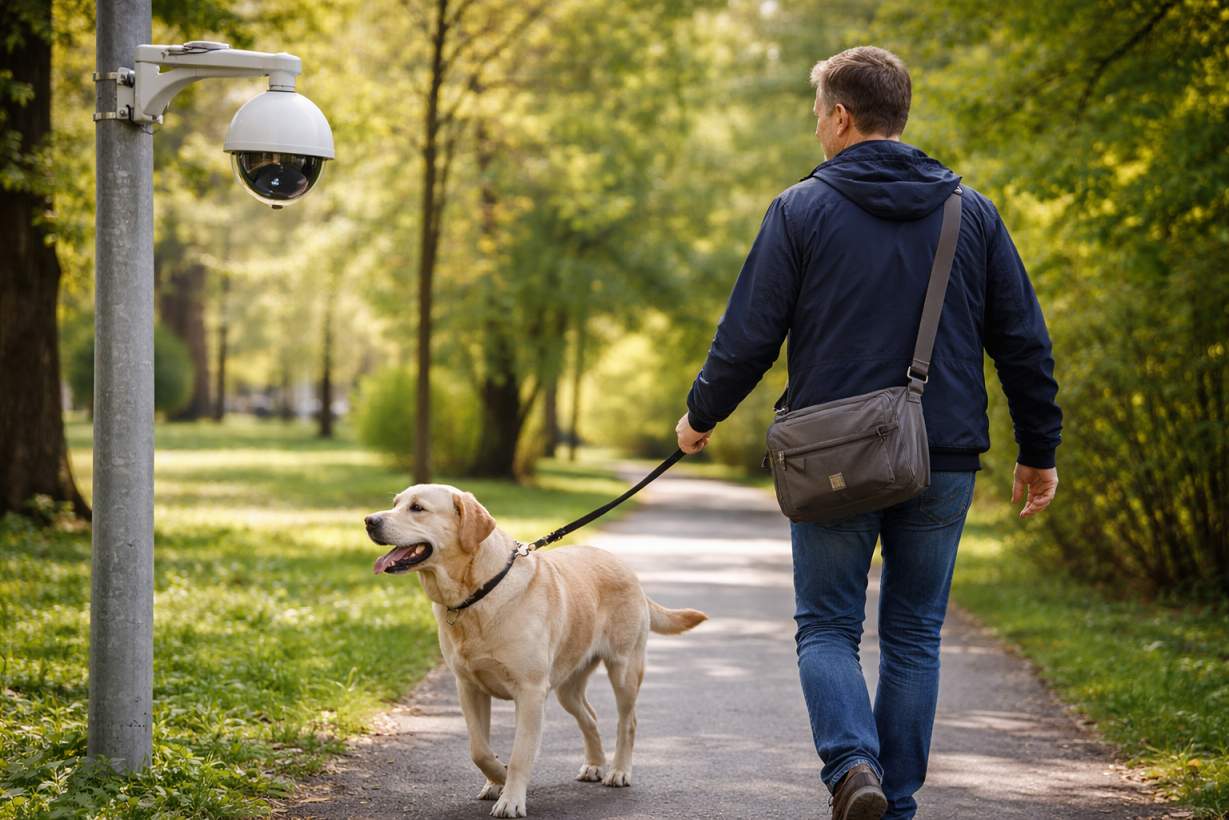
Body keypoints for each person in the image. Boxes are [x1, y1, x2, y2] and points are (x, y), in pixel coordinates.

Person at [674, 46, 1062, 820]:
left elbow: (749, 333)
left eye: (818, 114)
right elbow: (1022, 340)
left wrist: (700, 415)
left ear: (841, 117)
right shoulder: (970, 212)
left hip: (832, 459)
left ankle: (853, 766)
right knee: (914, 635)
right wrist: (1038, 450)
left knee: (825, 626)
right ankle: (900, 800)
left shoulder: (799, 209)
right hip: (942, 454)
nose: (816, 128)